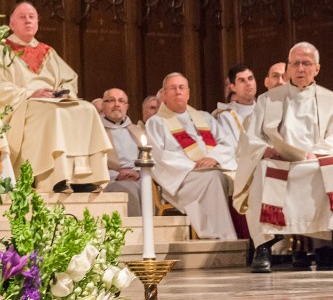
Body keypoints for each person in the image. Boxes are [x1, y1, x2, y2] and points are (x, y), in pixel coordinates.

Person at [236, 42, 333, 273]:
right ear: (288, 68)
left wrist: (316, 153)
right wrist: (265, 149)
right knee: (262, 171)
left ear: (317, 69)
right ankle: (264, 248)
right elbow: (251, 139)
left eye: (306, 64)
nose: (300, 69)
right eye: (295, 64)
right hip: (280, 161)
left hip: (317, 160)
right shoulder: (267, 100)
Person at [0, 2, 112, 192]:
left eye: (32, 17)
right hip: (21, 105)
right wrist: (30, 93)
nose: (28, 20)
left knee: (87, 109)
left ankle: (85, 177)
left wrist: (61, 92)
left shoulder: (47, 52)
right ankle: (54, 178)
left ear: (37, 23)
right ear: (11, 24)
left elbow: (68, 79)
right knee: (52, 113)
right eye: (22, 17)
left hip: (51, 101)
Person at [145, 72, 238, 240]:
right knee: (214, 178)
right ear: (164, 95)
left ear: (188, 93)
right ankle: (222, 237)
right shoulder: (156, 122)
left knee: (244, 180)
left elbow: (228, 142)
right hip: (182, 178)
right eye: (173, 88)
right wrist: (195, 165)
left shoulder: (204, 117)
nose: (178, 92)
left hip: (212, 168)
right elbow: (159, 157)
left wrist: (215, 158)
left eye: (182, 88)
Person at [101, 88, 148, 216]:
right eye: (111, 100)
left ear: (126, 107)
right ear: (103, 106)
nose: (117, 104)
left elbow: (150, 158)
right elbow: (93, 163)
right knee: (130, 189)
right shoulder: (96, 131)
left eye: (121, 101)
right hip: (112, 181)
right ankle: (137, 234)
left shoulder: (138, 131)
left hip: (139, 178)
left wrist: (139, 173)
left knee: (147, 188)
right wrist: (115, 174)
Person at [214, 63, 258, 144]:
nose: (248, 83)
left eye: (250, 78)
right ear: (232, 87)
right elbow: (229, 147)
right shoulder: (226, 116)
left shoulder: (266, 109)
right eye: (242, 80)